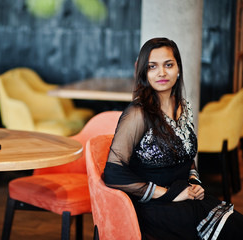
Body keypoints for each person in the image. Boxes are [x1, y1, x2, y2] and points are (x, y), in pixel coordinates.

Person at [103, 37, 243, 240]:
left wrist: (195, 182)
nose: (161, 73)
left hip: (186, 198)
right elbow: (113, 173)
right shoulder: (138, 113)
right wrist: (170, 194)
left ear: (178, 69)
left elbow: (187, 156)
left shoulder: (183, 106)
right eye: (152, 67)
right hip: (156, 208)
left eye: (168, 65)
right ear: (144, 72)